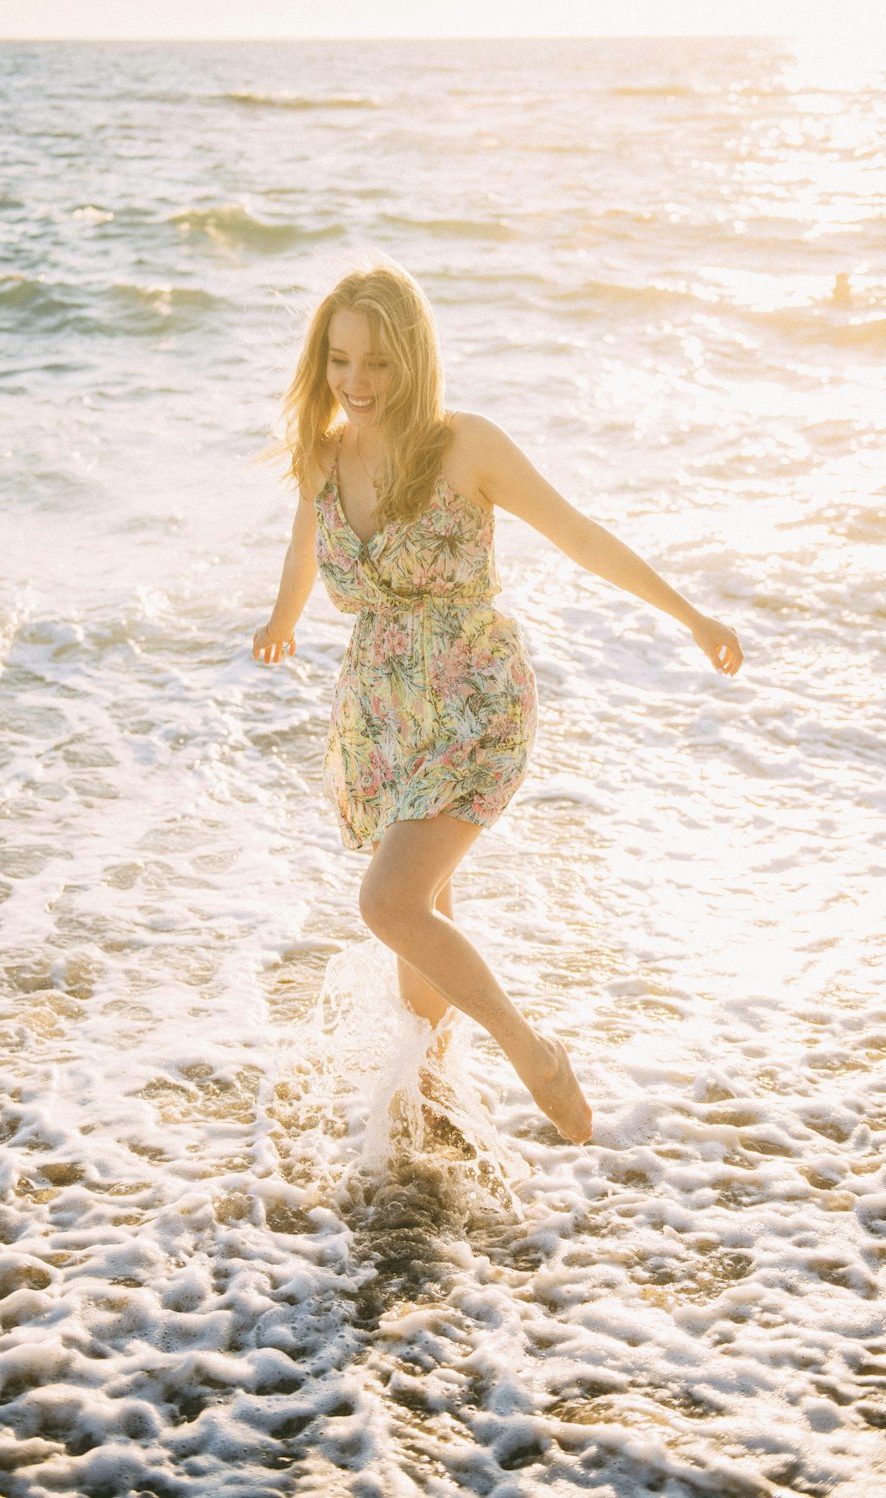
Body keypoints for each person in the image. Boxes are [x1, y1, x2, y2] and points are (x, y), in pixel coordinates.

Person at [252, 260, 743, 1146]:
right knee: (427, 908)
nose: (355, 384)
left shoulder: (464, 445)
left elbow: (579, 534)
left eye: (377, 364)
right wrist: (281, 618)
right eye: (339, 362)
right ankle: (433, 1102)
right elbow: (302, 554)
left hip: (474, 697)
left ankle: (531, 1053)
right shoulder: (324, 450)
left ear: (414, 359)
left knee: (388, 902)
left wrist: (692, 616)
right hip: (386, 708)